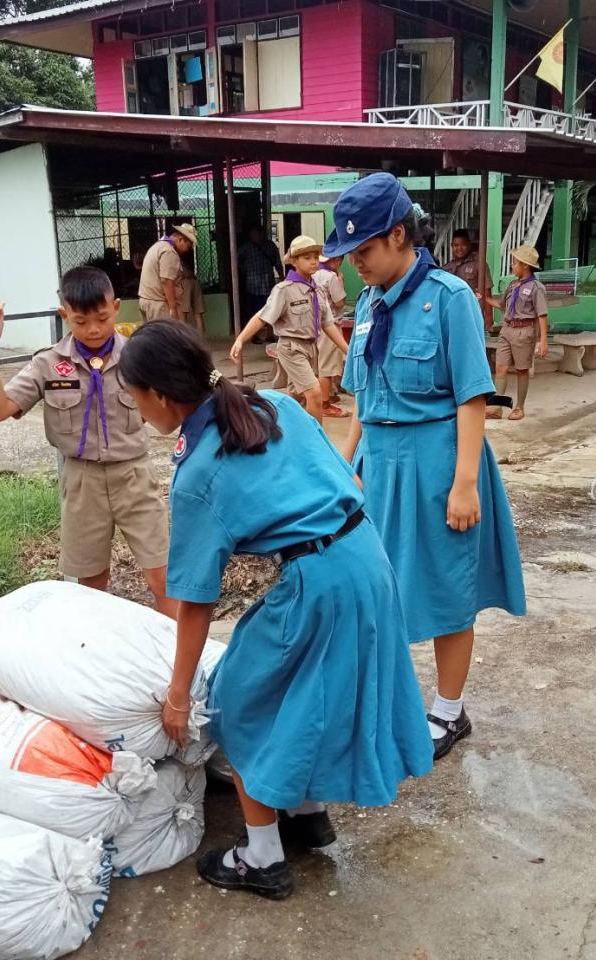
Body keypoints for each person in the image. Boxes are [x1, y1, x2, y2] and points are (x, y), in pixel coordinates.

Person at [119, 321, 434, 900]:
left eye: (137, 400)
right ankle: (307, 813)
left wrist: (179, 693)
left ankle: (261, 858)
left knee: (239, 703)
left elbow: (194, 602)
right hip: (367, 556)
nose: (141, 414)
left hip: (320, 581)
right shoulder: (276, 403)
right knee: (308, 690)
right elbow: (341, 475)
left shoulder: (197, 474)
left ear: (161, 397)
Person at [328, 173, 527, 762]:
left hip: (438, 461)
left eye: (362, 251)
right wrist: (346, 462)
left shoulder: (450, 298)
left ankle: (448, 709)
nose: (354, 265)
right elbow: (363, 396)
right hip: (380, 462)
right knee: (377, 584)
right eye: (348, 255)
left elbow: (471, 397)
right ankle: (387, 698)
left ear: (397, 235)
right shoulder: (366, 305)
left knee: (444, 585)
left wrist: (466, 482)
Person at [0, 266, 177, 617]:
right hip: (82, 481)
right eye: (81, 321)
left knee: (162, 578)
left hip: (135, 477)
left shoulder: (139, 356)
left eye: (101, 318)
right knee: (92, 586)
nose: (94, 329)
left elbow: (172, 409)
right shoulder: (48, 364)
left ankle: (177, 662)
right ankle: (98, 655)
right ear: (63, 314)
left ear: (116, 307)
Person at [230, 235, 349, 422]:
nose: (313, 262)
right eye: (307, 258)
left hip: (311, 348)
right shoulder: (283, 290)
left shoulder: (317, 289)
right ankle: (317, 441)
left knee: (298, 398)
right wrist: (240, 339)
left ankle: (265, 421)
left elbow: (327, 323)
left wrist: (347, 350)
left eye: (315, 257)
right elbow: (263, 317)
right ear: (293, 261)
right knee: (315, 393)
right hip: (291, 348)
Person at [484, 245, 549, 422]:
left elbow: (542, 315)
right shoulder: (513, 285)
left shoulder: (536, 288)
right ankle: (497, 407)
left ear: (525, 266)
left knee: (521, 370)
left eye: (514, 263)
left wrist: (542, 340)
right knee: (500, 367)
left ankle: (519, 407)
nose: (512, 266)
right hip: (507, 329)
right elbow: (502, 304)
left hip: (524, 331)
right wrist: (485, 299)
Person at [138, 223, 198, 322]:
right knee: (163, 337)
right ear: (180, 239)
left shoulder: (158, 246)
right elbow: (166, 280)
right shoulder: (169, 252)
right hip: (158, 305)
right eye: (189, 246)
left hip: (147, 301)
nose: (189, 250)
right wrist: (173, 308)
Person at [315, 252, 350, 418]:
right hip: (330, 325)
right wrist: (341, 282)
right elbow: (339, 302)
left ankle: (325, 395)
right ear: (336, 260)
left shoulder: (314, 275)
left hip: (315, 325)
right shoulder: (331, 277)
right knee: (327, 366)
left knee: (320, 362)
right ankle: (324, 403)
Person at [238, 224, 284, 339]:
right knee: (254, 310)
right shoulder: (246, 248)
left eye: (259, 233)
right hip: (252, 285)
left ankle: (270, 333)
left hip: (268, 284)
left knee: (271, 309)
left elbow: (278, 263)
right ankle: (255, 335)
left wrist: (283, 278)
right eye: (254, 233)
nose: (257, 236)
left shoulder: (270, 246)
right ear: (250, 235)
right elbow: (237, 262)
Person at [442, 228, 492, 304]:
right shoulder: (447, 267)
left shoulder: (478, 264)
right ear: (451, 246)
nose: (459, 248)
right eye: (456, 245)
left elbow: (487, 294)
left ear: (469, 245)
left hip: (471, 310)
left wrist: (488, 316)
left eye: (463, 245)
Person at [177, 247, 205, 334]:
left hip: (185, 281)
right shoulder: (190, 253)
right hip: (194, 281)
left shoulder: (174, 254)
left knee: (183, 312)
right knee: (198, 313)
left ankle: (183, 338)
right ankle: (201, 337)